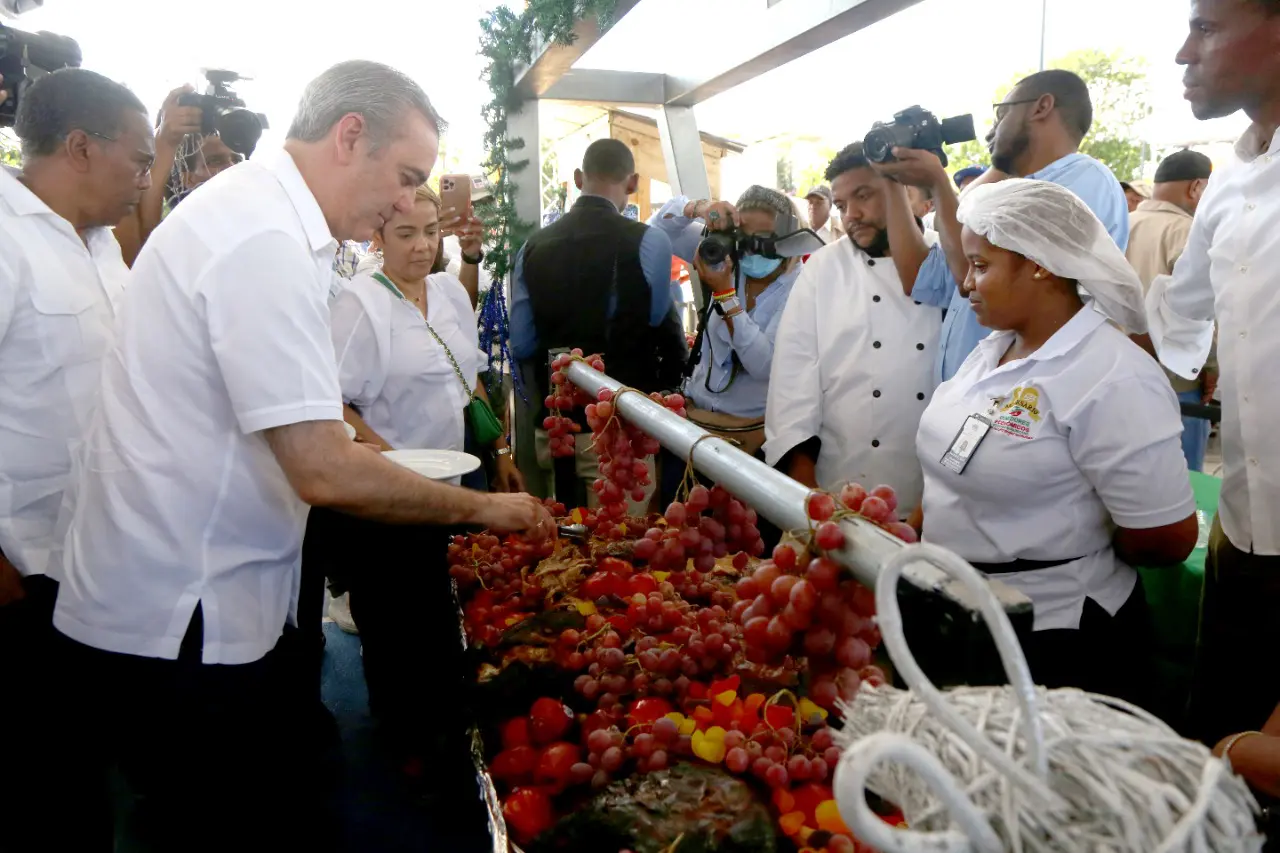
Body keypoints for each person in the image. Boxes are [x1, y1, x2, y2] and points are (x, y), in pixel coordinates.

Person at [51, 60, 552, 851]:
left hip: (192, 601)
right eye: (406, 177)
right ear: (350, 136)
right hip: (184, 617)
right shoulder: (262, 239)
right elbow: (319, 464)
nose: (405, 203)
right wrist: (487, 508)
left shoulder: (261, 221)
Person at [916, 179, 1197, 705]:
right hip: (966, 613)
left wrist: (1073, 546)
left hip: (1056, 637)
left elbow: (1165, 536)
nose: (965, 284)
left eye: (980, 265)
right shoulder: (995, 349)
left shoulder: (1111, 376)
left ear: (1040, 263)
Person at [322, 180, 521, 788]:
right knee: (395, 619)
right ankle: (403, 744)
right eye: (405, 233)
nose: (420, 246)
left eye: (430, 232)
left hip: (451, 484)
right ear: (377, 235)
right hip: (386, 496)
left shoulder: (446, 293)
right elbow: (332, 399)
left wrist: (499, 449)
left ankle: (447, 736)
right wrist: (383, 459)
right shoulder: (360, 304)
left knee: (444, 613)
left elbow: (469, 378)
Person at [0, 67, 153, 853]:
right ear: (82, 147)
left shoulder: (102, 248)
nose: (146, 177)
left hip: (97, 559)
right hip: (22, 572)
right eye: (139, 157)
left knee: (87, 774)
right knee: (40, 790)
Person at [1144, 0, 1280, 749]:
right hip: (1241, 530)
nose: (1182, 54)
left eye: (1206, 27)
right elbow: (1177, 321)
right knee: (1218, 747)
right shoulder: (1229, 180)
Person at [878, 69, 1129, 383]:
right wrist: (891, 180)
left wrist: (939, 183)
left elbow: (969, 276)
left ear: (1042, 107)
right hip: (972, 399)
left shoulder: (1085, 181)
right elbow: (921, 278)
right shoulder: (1000, 193)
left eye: (1001, 114)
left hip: (1028, 401)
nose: (989, 132)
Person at [766, 142, 942, 514]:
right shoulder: (823, 269)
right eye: (843, 205)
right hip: (838, 487)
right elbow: (792, 381)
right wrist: (807, 492)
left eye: (864, 196)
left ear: (902, 191)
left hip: (933, 493)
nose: (852, 216)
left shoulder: (945, 261)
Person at [510, 138, 686, 510]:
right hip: (621, 433)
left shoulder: (531, 248)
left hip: (554, 428)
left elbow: (522, 343)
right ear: (633, 182)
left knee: (560, 550)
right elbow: (658, 324)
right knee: (619, 549)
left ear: (578, 178)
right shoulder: (648, 241)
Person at [648, 186, 804, 500]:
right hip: (696, 425)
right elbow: (660, 228)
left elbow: (763, 366)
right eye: (744, 236)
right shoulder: (725, 257)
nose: (753, 249)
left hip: (753, 441)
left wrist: (726, 297)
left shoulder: (801, 288)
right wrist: (699, 206)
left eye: (765, 238)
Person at [1125, 148, 1216, 471]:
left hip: (1115, 377)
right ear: (1195, 188)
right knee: (1182, 479)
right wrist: (1212, 365)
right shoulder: (1188, 233)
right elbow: (1201, 309)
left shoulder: (1120, 224)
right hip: (1175, 383)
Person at [114, 85, 245, 266]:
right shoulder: (178, 236)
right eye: (215, 161)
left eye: (236, 160)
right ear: (187, 178)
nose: (230, 167)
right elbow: (144, 249)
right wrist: (166, 140)